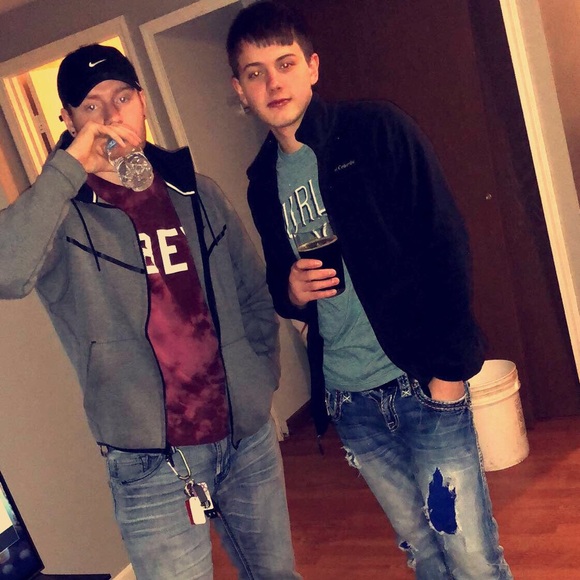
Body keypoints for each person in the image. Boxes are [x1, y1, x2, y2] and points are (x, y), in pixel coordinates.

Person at [226, 2, 512, 579]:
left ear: (312, 67)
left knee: (470, 556)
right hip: (350, 400)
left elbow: (444, 242)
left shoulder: (375, 130)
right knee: (422, 552)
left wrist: (448, 372)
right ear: (240, 90)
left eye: (285, 64)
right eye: (255, 72)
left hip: (421, 380)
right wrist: (291, 290)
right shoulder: (261, 183)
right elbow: (280, 285)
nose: (273, 83)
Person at [0, 43, 301, 580]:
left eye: (122, 97)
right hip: (149, 464)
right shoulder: (61, 217)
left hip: (244, 437)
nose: (111, 115)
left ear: (142, 101)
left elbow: (253, 292)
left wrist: (257, 382)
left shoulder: (197, 193)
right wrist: (68, 168)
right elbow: (7, 270)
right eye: (91, 106)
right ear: (68, 121)